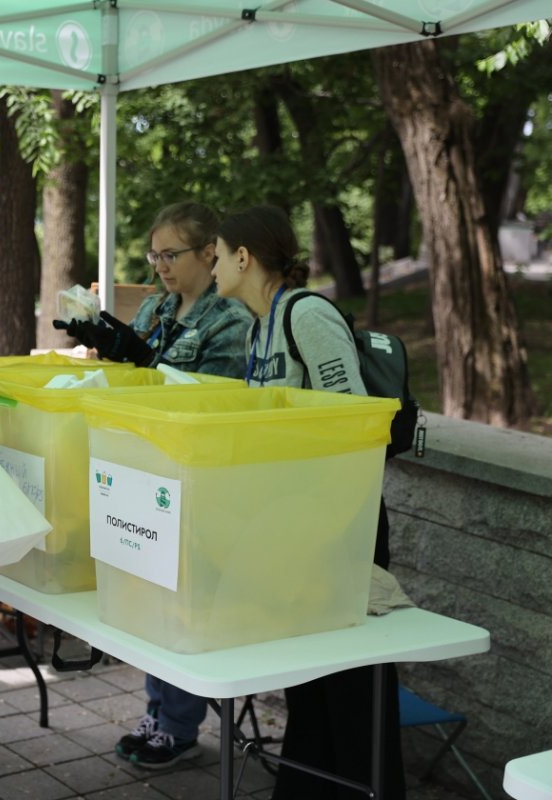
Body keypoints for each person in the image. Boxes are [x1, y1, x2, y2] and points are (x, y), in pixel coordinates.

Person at [211, 204, 406, 800]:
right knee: (308, 680)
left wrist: (325, 528)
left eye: (216, 256)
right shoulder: (254, 328)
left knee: (352, 688)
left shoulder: (308, 313)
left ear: (243, 258)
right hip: (289, 527)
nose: (212, 267)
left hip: (336, 522)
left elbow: (350, 426)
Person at [55, 201, 252, 769]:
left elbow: (218, 400)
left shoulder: (228, 318)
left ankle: (179, 724)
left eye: (171, 254)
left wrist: (146, 361)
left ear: (208, 251)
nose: (161, 265)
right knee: (150, 595)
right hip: (142, 466)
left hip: (196, 475)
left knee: (182, 600)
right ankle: (160, 710)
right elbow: (126, 378)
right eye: (154, 254)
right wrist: (110, 344)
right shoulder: (157, 306)